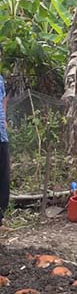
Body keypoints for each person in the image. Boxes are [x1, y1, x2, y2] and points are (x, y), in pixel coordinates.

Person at [0, 69, 8, 229]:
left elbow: (3, 100)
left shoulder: (0, 79)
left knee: (3, 180)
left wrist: (4, 119)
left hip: (1, 136)